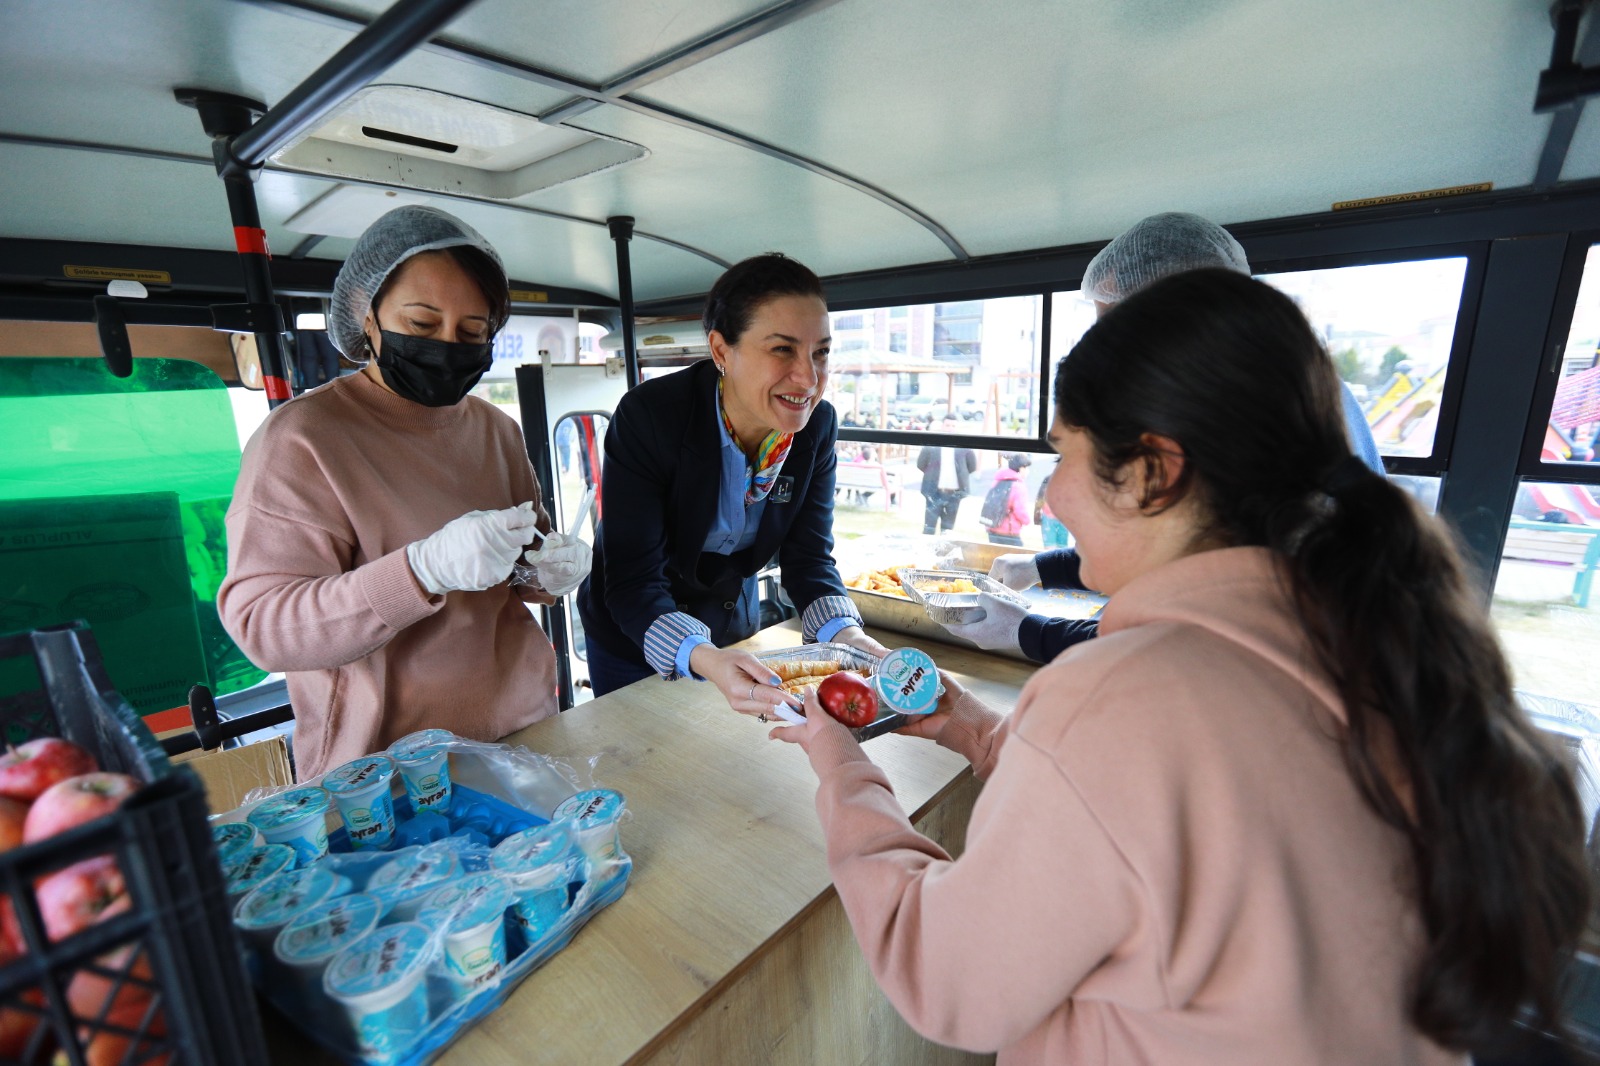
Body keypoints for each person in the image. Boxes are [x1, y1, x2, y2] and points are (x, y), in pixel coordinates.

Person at [771, 269, 1591, 1064]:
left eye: (1065, 456)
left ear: (1153, 471)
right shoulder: (1378, 639)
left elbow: (941, 976)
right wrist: (984, 735)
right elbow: (1164, 833)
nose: (1050, 497)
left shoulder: (1113, 700)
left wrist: (840, 764)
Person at [218, 206, 591, 781]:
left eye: (472, 332)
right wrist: (420, 571)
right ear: (367, 317)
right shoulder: (304, 440)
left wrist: (544, 572)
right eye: (421, 325)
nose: (448, 345)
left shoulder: (495, 429)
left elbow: (518, 565)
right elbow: (264, 626)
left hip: (522, 734)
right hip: (387, 772)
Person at [954, 211, 1386, 662]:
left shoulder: (1229, 411)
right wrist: (1045, 566)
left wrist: (1028, 632)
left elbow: (1185, 639)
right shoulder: (1291, 382)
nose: (1057, 498)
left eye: (1118, 331)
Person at [575, 254, 887, 714]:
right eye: (783, 349)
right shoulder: (651, 418)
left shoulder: (816, 429)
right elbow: (634, 579)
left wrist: (852, 640)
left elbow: (809, 559)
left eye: (820, 352)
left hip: (725, 618)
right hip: (633, 628)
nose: (809, 377)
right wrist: (704, 658)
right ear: (721, 351)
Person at [917, 416, 976, 534]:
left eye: (953, 426)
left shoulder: (964, 446)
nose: (950, 429)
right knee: (929, 527)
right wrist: (932, 474)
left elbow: (972, 466)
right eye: (947, 425)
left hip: (954, 494)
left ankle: (944, 551)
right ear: (942, 426)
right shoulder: (932, 444)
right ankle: (927, 549)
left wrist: (960, 476)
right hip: (934, 492)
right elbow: (921, 464)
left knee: (948, 529)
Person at [982, 454, 1032, 546]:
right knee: (1018, 557)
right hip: (1008, 531)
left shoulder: (997, 481)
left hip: (992, 528)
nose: (1027, 471)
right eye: (1026, 468)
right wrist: (1027, 520)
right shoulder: (1018, 486)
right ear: (1021, 468)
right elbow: (1020, 510)